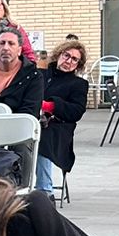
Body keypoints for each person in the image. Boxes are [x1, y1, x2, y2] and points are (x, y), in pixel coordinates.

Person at [38, 38, 89, 195]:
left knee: (41, 140)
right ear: (59, 55)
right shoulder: (39, 75)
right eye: (66, 55)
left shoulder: (78, 84)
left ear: (78, 65)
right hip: (33, 120)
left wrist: (51, 106)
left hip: (58, 127)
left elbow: (77, 111)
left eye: (75, 59)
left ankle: (45, 192)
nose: (69, 61)